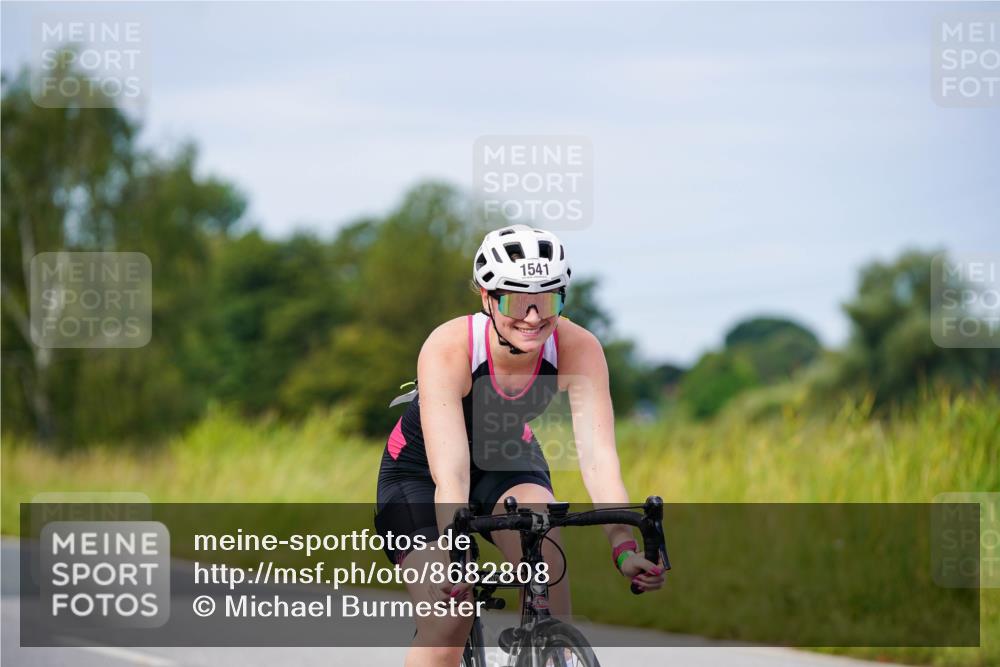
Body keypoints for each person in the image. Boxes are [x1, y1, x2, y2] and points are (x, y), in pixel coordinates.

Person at [373, 224, 665, 666]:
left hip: (505, 458)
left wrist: (623, 546)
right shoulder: (450, 347)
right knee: (449, 617)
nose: (533, 317)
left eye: (546, 300)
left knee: (545, 551)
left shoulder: (578, 346)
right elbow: (449, 472)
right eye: (516, 300)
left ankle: (553, 652)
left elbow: (599, 459)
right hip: (419, 475)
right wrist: (456, 558)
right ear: (487, 298)